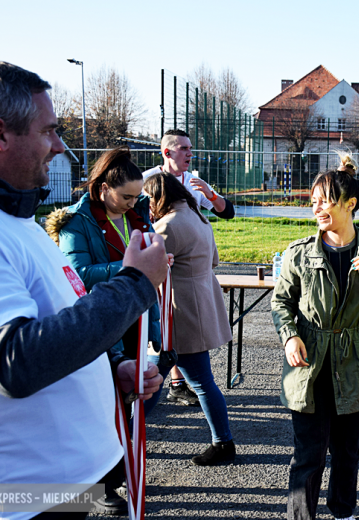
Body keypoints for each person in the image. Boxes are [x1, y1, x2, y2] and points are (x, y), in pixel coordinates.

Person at [0, 61, 165, 519]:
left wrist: (109, 367)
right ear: (0, 134)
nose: (60, 146)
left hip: (61, 484)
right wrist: (135, 282)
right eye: (50, 131)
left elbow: (58, 318)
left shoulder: (17, 221)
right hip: (16, 498)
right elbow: (12, 361)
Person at [271, 152, 359, 520]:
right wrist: (289, 336)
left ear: (350, 204)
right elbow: (281, 301)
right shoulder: (299, 253)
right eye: (313, 201)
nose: (317, 209)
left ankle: (343, 513)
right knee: (309, 454)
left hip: (354, 362)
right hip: (310, 365)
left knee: (348, 451)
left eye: (325, 201)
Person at [45, 146, 168, 513]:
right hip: (100, 325)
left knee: (139, 401)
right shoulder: (75, 223)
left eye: (138, 196)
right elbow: (78, 276)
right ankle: (101, 485)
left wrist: (157, 326)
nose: (133, 203)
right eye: (126, 196)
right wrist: (131, 268)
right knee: (104, 409)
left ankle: (120, 471)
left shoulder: (139, 215)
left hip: (135, 321)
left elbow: (149, 277)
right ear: (102, 190)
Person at [143, 172, 236, 466]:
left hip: (178, 313)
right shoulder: (197, 217)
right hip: (196, 305)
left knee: (161, 379)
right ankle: (223, 442)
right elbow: (214, 261)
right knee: (166, 379)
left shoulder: (167, 225)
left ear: (158, 198)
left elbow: (145, 269)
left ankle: (126, 437)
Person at [143, 129, 235, 407]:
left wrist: (211, 195)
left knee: (178, 337)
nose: (190, 153)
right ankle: (170, 386)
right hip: (157, 261)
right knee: (165, 339)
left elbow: (227, 211)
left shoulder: (194, 182)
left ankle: (170, 387)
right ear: (167, 152)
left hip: (187, 264)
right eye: (183, 148)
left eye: (191, 148)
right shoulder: (147, 180)